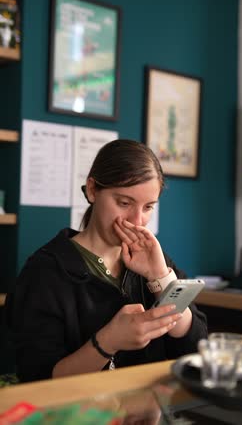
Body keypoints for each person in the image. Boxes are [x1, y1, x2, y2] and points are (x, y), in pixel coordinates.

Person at [5, 139, 207, 382]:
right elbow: (37, 379)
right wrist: (107, 342)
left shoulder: (154, 259)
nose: (137, 221)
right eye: (124, 203)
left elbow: (196, 348)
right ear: (92, 190)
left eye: (148, 207)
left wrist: (161, 278)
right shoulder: (45, 272)